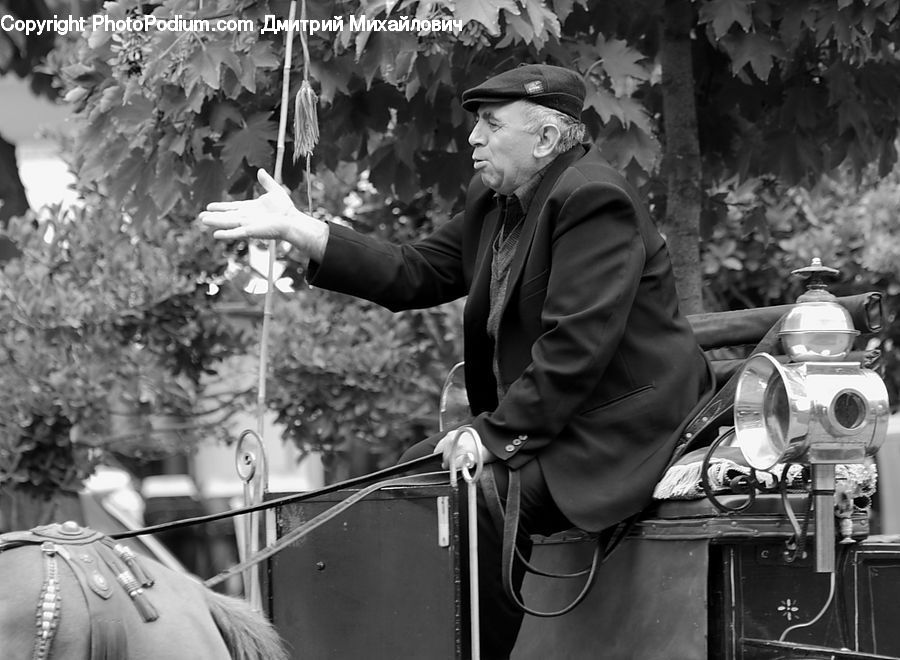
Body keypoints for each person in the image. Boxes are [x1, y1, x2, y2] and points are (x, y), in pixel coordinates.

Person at [200, 63, 712, 658]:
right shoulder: (495, 199)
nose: (473, 138)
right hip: (558, 421)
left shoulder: (593, 198)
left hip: (619, 430)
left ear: (545, 140)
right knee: (395, 481)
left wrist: (490, 436)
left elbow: (576, 349)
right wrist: (303, 231)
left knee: (480, 493)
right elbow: (411, 272)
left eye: (491, 125)